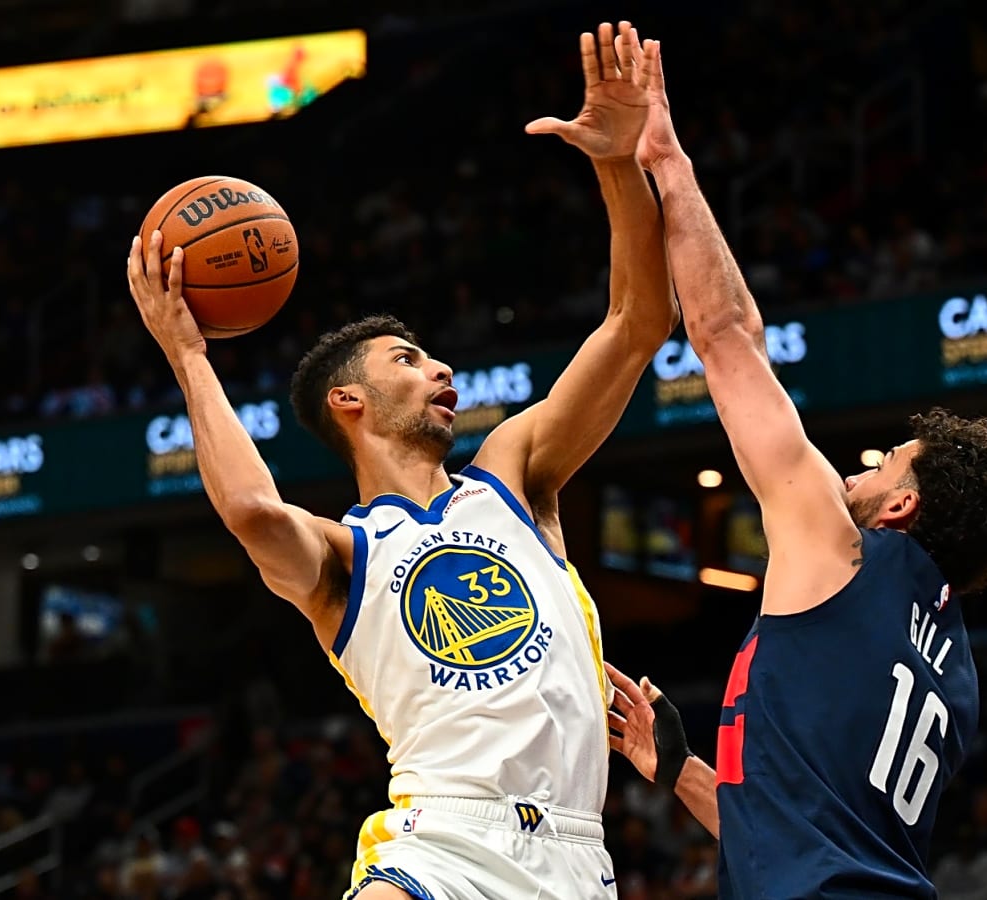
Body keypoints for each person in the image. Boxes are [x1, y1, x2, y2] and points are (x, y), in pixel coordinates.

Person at [125, 22, 675, 900]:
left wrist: (618, 164)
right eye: (409, 360)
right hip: (441, 840)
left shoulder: (513, 476)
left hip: (577, 856)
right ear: (349, 400)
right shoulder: (343, 557)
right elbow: (254, 512)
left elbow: (639, 322)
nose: (441, 368)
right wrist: (189, 354)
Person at [605, 37, 987, 899]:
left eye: (883, 467)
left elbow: (728, 337)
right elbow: (809, 836)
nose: (853, 477)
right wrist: (681, 769)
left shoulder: (842, 552)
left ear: (902, 507)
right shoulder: (955, 674)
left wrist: (666, 161)